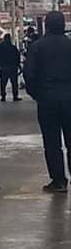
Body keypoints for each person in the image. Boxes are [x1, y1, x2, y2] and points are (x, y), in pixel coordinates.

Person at [24, 11, 71, 192]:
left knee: (52, 142)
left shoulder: (37, 47)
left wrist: (38, 95)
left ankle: (59, 181)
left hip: (47, 100)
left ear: (46, 25)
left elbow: (29, 74)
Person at [0, 34, 22, 102]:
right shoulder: (13, 47)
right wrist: (19, 66)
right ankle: (15, 96)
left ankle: (3, 96)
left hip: (4, 67)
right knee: (14, 82)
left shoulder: (0, 47)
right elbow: (17, 57)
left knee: (3, 83)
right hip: (13, 67)